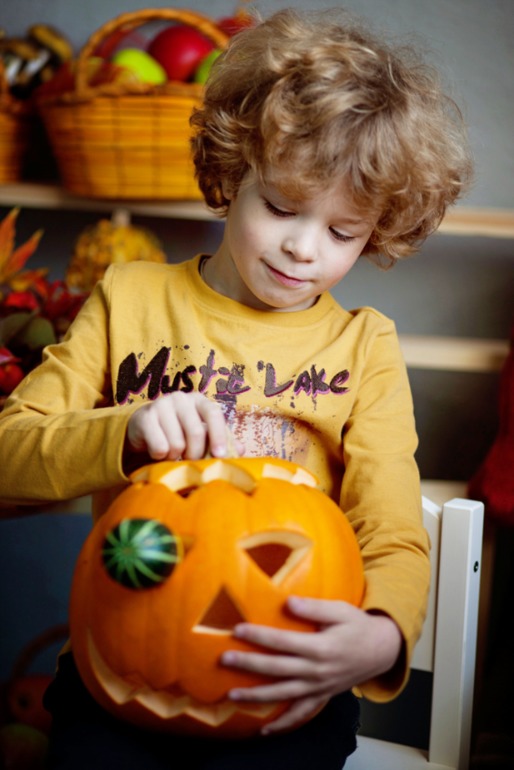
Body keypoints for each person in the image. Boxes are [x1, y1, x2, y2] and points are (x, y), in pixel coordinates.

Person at [0, 7, 472, 769]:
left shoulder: (365, 347)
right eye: (281, 206)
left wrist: (383, 634)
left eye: (343, 232)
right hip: (122, 667)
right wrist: (124, 430)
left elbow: (389, 528)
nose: (303, 247)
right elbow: (8, 455)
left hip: (286, 682)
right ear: (232, 170)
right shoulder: (129, 298)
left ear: (377, 231)